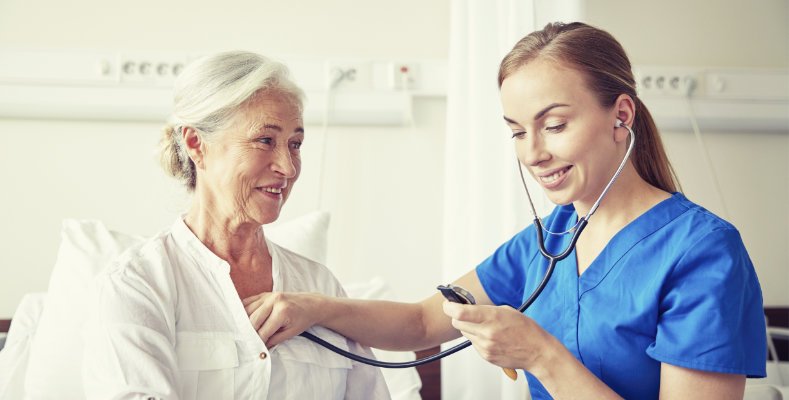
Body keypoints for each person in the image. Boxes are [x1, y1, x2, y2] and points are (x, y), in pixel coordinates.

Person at [243, 22, 767, 399]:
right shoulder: (550, 240)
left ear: (620, 115)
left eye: (555, 125)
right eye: (517, 131)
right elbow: (424, 322)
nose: (533, 152)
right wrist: (313, 307)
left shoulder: (702, 253)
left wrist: (540, 355)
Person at [81, 51, 390, 400]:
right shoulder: (137, 285)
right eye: (265, 140)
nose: (288, 168)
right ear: (197, 145)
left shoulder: (319, 286)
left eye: (295, 144)